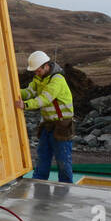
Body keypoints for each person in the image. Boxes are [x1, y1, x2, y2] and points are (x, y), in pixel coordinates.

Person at [16, 50, 74, 183]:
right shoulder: (39, 79)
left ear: (46, 66)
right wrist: (13, 91)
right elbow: (29, 92)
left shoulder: (57, 80)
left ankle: (66, 189)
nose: (36, 73)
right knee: (42, 157)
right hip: (48, 125)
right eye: (35, 71)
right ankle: (39, 184)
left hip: (62, 125)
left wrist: (25, 105)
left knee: (63, 160)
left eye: (38, 70)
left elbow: (44, 99)